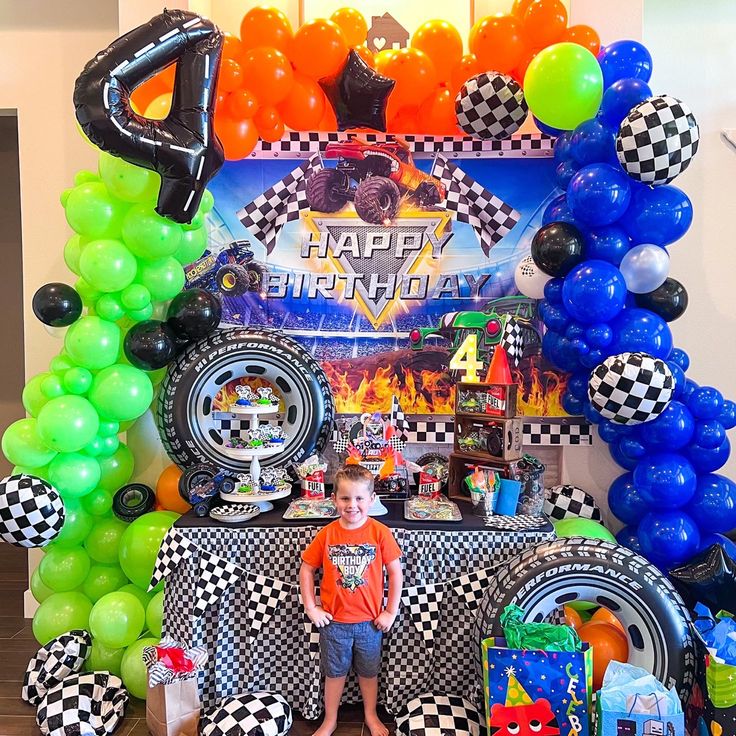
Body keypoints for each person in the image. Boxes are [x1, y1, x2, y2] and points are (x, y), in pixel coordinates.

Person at [300, 464, 403, 736]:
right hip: (334, 624)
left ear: (371, 500)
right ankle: (330, 719)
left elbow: (395, 573)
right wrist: (312, 607)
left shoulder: (380, 532)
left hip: (371, 623)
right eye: (345, 498)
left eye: (359, 498)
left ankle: (370, 715)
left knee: (369, 674)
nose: (352, 505)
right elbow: (307, 568)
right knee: (334, 674)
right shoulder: (327, 534)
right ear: (334, 499)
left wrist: (390, 611)